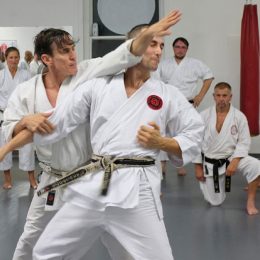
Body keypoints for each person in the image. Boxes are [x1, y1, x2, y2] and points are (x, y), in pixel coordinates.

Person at [0, 10, 182, 260]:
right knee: (31, 238)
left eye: (73, 48)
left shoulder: (88, 72)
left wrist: (149, 34)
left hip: (90, 175)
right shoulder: (25, 91)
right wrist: (23, 121)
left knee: (118, 241)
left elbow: (123, 54)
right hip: (51, 179)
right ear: (46, 59)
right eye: (64, 52)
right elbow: (8, 126)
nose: (73, 55)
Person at [193, 82, 260, 215]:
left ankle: (250, 201)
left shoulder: (239, 117)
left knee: (256, 165)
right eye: (218, 95)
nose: (221, 98)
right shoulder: (204, 116)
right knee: (215, 202)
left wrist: (235, 162)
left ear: (230, 97)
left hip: (232, 156)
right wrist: (198, 167)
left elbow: (244, 142)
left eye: (225, 95)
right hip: (212, 161)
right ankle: (209, 187)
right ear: (214, 96)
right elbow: (196, 142)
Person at [154, 37, 214, 177]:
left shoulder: (194, 63)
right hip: (168, 104)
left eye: (183, 47)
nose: (180, 49)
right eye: (177, 47)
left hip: (187, 104)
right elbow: (156, 83)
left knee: (185, 134)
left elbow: (209, 76)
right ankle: (162, 166)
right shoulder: (164, 64)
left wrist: (200, 95)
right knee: (164, 133)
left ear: (187, 49)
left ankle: (181, 165)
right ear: (173, 48)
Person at [0, 47, 36, 189]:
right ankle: (8, 179)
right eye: (11, 57)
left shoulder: (26, 74)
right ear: (6, 58)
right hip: (5, 114)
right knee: (4, 145)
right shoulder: (1, 75)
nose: (14, 60)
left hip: (22, 115)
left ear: (19, 58)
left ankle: (32, 179)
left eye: (16, 57)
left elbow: (32, 94)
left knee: (27, 146)